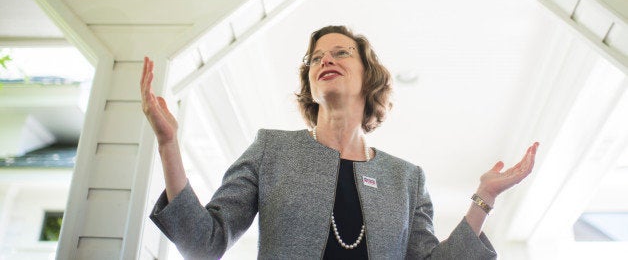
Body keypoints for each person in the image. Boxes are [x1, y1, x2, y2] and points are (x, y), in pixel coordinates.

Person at [142, 25, 538, 259]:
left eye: (340, 53)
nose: (325, 61)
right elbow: (203, 243)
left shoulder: (406, 179)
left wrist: (483, 198)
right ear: (311, 88)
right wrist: (168, 144)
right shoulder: (271, 150)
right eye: (316, 58)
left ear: (369, 77)